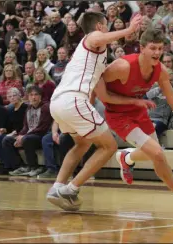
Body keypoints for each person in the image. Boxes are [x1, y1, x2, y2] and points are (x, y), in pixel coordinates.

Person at [94, 28, 173, 212]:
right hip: (118, 115)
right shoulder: (122, 66)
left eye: (160, 48)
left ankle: (127, 158)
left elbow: (172, 98)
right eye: (153, 48)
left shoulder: (160, 70)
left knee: (152, 153)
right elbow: (96, 82)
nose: (158, 52)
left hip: (138, 110)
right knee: (158, 154)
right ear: (142, 48)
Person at [46, 12, 143, 211]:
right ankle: (70, 189)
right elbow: (98, 37)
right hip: (73, 100)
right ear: (99, 26)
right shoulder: (92, 38)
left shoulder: (93, 59)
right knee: (109, 147)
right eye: (106, 25)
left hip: (59, 103)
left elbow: (104, 96)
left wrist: (134, 101)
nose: (107, 29)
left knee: (82, 144)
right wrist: (130, 30)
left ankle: (57, 187)